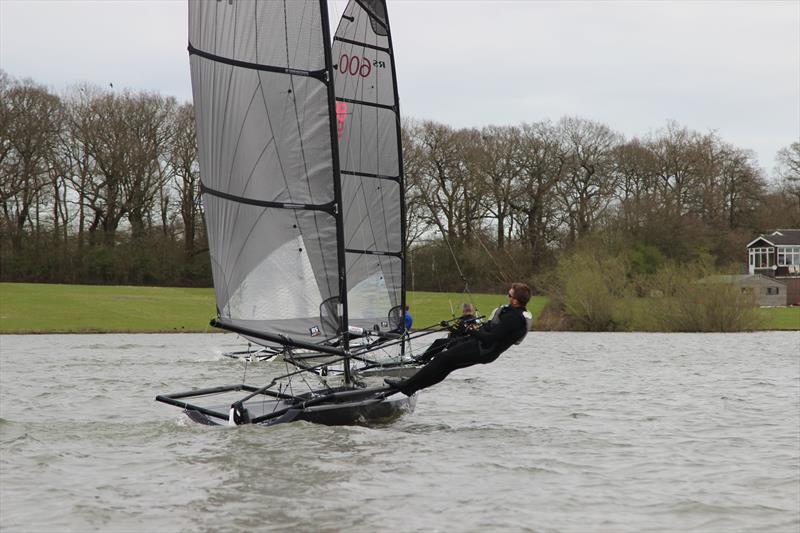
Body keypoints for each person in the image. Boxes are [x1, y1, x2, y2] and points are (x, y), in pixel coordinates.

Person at [386, 283, 533, 396]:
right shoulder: (514, 314)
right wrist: (469, 330)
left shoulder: (513, 318)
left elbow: (490, 338)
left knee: (441, 358)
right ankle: (410, 388)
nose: (507, 297)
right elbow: (490, 331)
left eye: (509, 295)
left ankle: (407, 386)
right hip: (484, 349)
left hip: (483, 349)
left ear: (515, 301)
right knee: (446, 365)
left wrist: (468, 330)